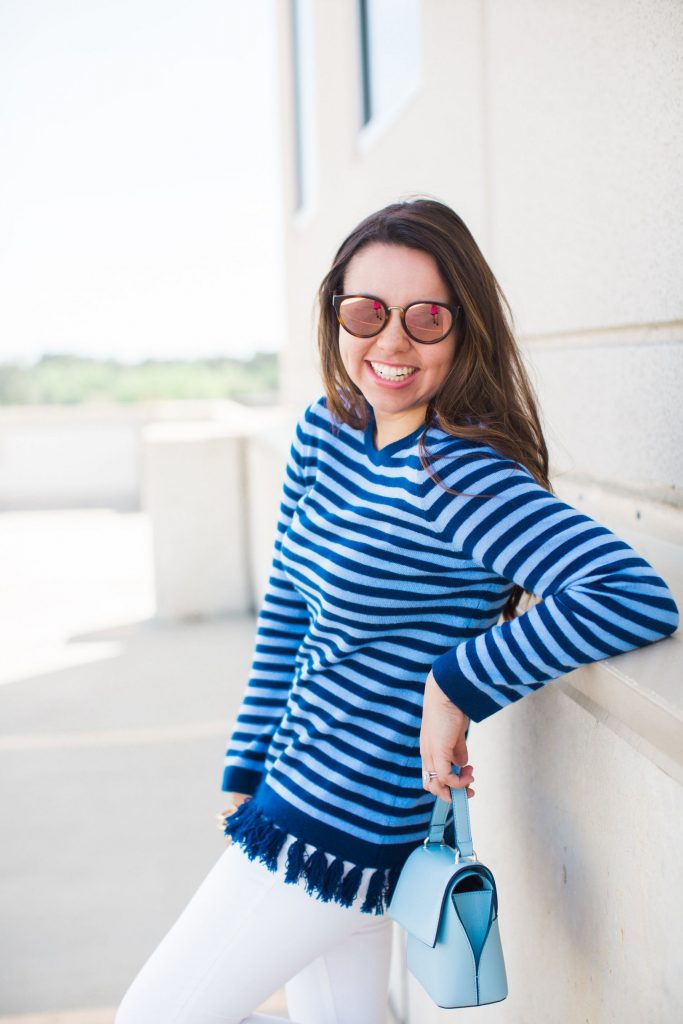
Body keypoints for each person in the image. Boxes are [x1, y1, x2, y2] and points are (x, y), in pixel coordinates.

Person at [114, 198, 679, 1024]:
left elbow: (629, 596)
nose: (390, 342)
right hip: (289, 796)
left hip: (350, 821)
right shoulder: (326, 432)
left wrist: (454, 684)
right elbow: (286, 616)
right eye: (366, 311)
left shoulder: (462, 476)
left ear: (464, 330)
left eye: (425, 318)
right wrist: (244, 768)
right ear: (335, 316)